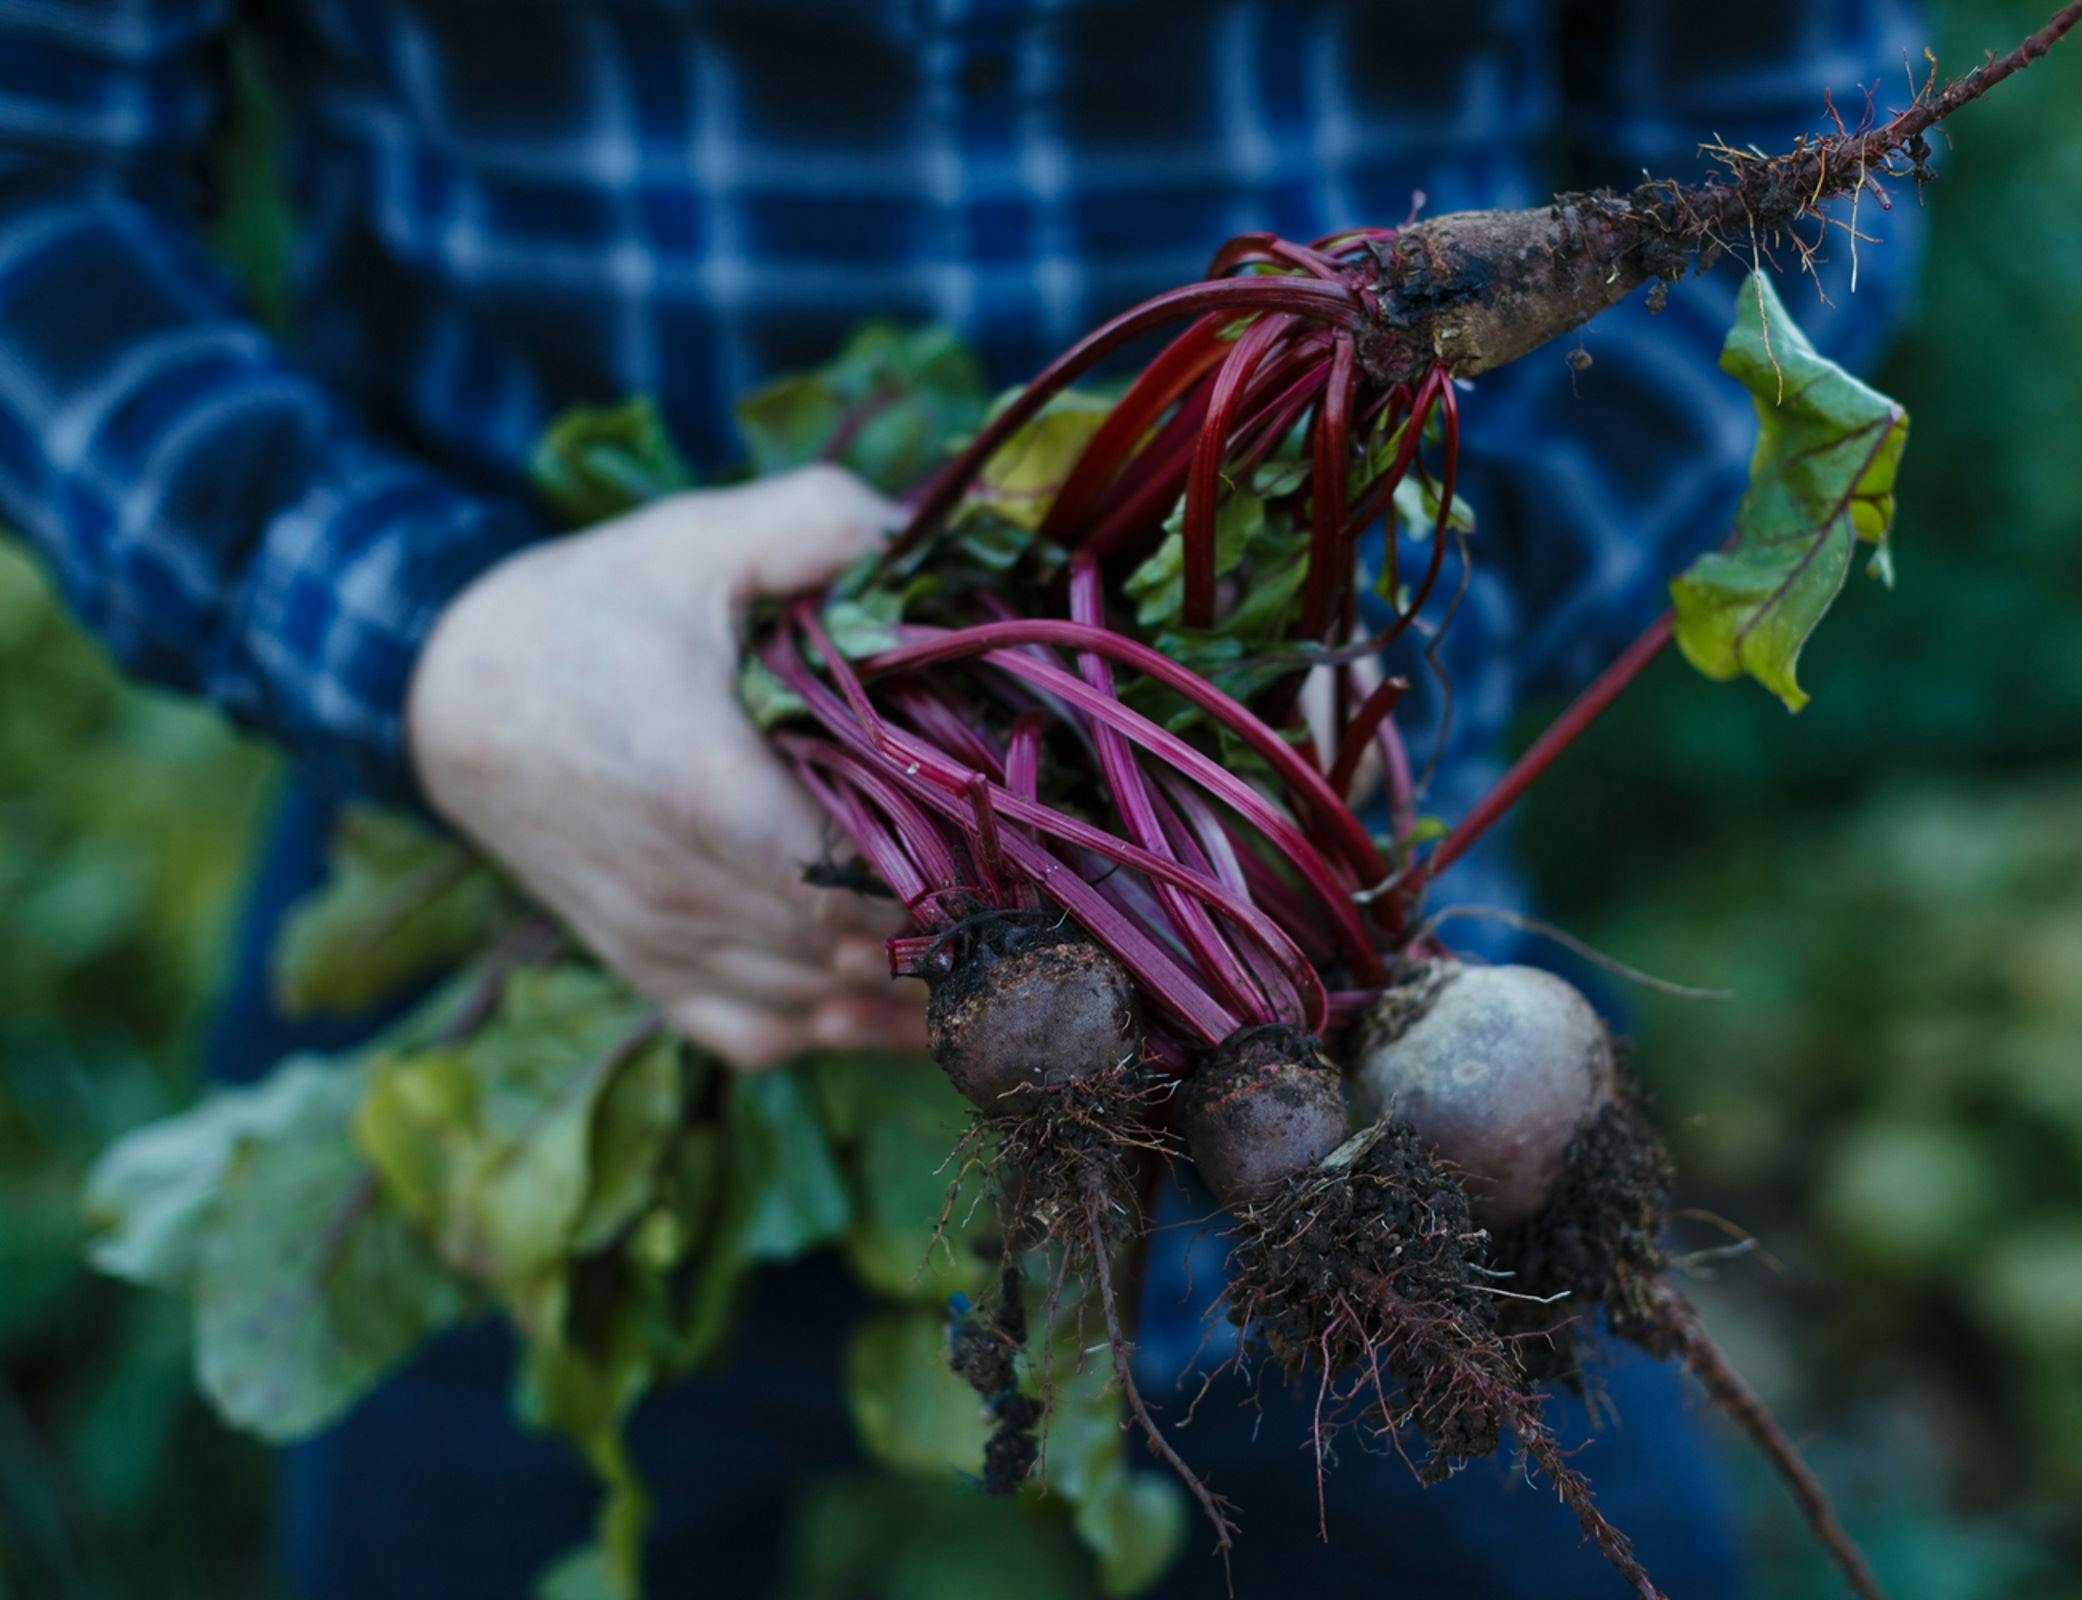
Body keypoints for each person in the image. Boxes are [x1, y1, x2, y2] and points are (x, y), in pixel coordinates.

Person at [0, 3, 1920, 1595]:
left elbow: (1798, 130)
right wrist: (431, 646)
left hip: (1337, 993)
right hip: (552, 912)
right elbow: (37, 174)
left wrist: (1425, 632)